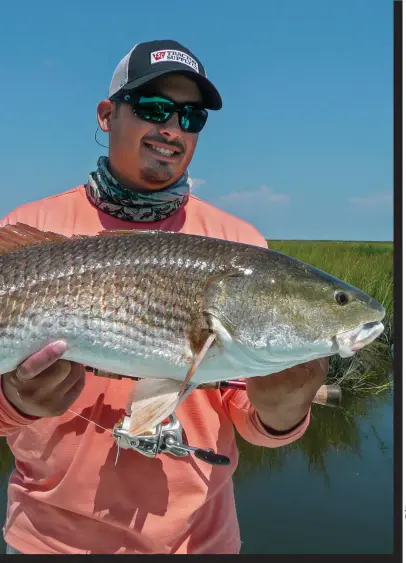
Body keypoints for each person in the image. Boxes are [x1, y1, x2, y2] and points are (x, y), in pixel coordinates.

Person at [0, 40, 328, 555]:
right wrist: (14, 403)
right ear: (108, 115)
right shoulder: (30, 231)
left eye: (190, 117)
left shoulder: (240, 244)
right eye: (154, 108)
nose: (172, 129)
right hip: (46, 541)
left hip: (198, 543)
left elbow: (252, 421)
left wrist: (283, 410)